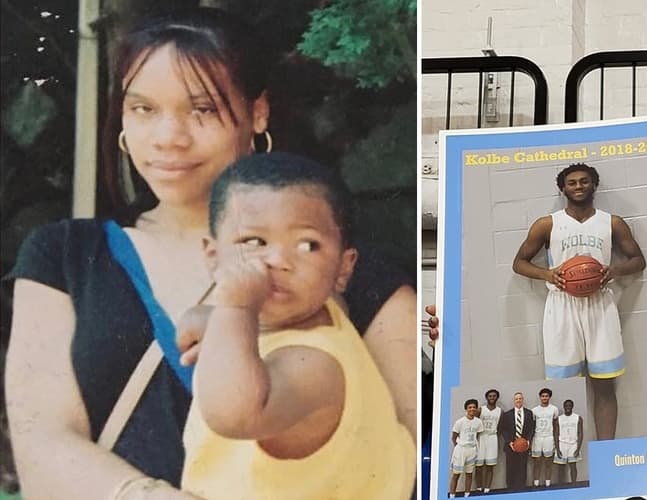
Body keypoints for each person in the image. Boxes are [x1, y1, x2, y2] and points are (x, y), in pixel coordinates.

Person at [4, 8, 416, 499]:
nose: (169, 138)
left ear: (257, 113)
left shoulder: (348, 269)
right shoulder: (65, 256)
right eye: (143, 110)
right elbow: (41, 440)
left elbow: (419, 445)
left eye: (202, 110)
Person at [179, 152, 413, 499]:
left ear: (343, 268)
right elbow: (191, 331)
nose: (278, 260)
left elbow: (234, 415)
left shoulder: (317, 366)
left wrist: (234, 307)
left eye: (307, 245)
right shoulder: (313, 318)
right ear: (212, 256)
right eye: (254, 242)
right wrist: (219, 321)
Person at [512, 163, 646, 440]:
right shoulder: (547, 224)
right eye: (571, 183)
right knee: (563, 389)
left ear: (594, 185)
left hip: (600, 306)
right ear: (562, 189)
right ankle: (570, 452)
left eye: (584, 181)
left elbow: (638, 260)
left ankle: (607, 450)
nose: (578, 186)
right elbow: (519, 263)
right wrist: (547, 273)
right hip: (562, 306)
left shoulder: (612, 222)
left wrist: (615, 271)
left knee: (605, 386)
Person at [498, 392, 535, 491]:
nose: (518, 400)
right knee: (510, 467)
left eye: (520, 398)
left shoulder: (529, 413)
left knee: (522, 467)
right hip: (511, 446)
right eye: (516, 399)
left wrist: (528, 441)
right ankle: (510, 487)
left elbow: (532, 428)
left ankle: (521, 486)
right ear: (514, 401)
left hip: (524, 445)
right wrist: (510, 442)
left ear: (523, 400)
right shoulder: (507, 414)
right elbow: (503, 430)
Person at [449, 399, 483, 498]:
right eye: (470, 407)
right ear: (466, 409)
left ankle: (467, 494)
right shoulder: (460, 422)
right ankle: (452, 495)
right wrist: (459, 447)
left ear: (476, 409)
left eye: (474, 407)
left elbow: (477, 436)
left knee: (469, 474)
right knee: (456, 474)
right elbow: (454, 437)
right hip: (461, 450)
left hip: (471, 450)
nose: (472, 409)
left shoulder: (478, 422)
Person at [530, 388, 559, 488]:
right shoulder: (534, 410)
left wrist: (555, 439)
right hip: (537, 438)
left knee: (548, 462)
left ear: (549, 397)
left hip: (549, 437)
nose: (544, 398)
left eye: (546, 396)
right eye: (543, 396)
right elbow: (532, 426)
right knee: (537, 462)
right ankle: (536, 482)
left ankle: (547, 482)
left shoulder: (554, 409)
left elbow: (555, 425)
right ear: (540, 397)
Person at [474, 389, 501, 494]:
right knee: (479, 466)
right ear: (487, 398)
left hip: (492, 438)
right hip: (481, 437)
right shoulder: (481, 409)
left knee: (490, 465)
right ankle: (479, 487)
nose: (492, 398)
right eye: (490, 396)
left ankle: (487, 488)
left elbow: (500, 427)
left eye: (494, 396)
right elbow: (474, 423)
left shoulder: (500, 411)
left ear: (497, 398)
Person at [553, 399, 583, 483]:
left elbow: (580, 433)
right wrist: (557, 449)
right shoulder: (559, 419)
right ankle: (561, 485)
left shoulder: (578, 418)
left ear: (572, 407)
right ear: (564, 407)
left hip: (573, 444)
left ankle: (574, 483)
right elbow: (556, 434)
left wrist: (578, 448)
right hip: (562, 444)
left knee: (573, 466)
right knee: (561, 467)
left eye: (570, 405)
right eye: (566, 406)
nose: (568, 407)